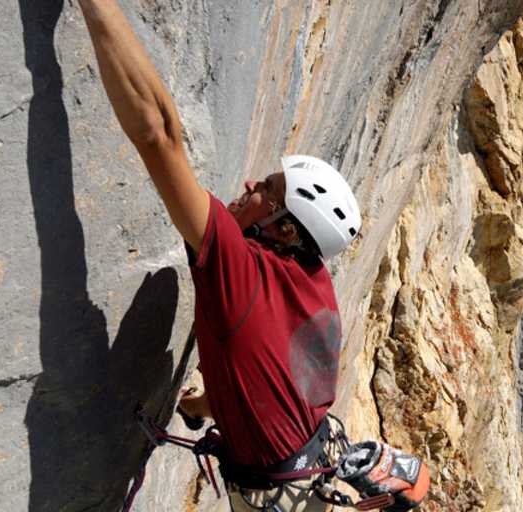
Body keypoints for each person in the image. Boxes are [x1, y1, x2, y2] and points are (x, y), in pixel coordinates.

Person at [76, 1, 360, 510]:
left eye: (266, 192)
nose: (251, 184)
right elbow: (278, 373)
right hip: (303, 470)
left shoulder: (239, 270)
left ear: (286, 229)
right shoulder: (313, 280)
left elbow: (157, 136)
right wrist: (209, 403)